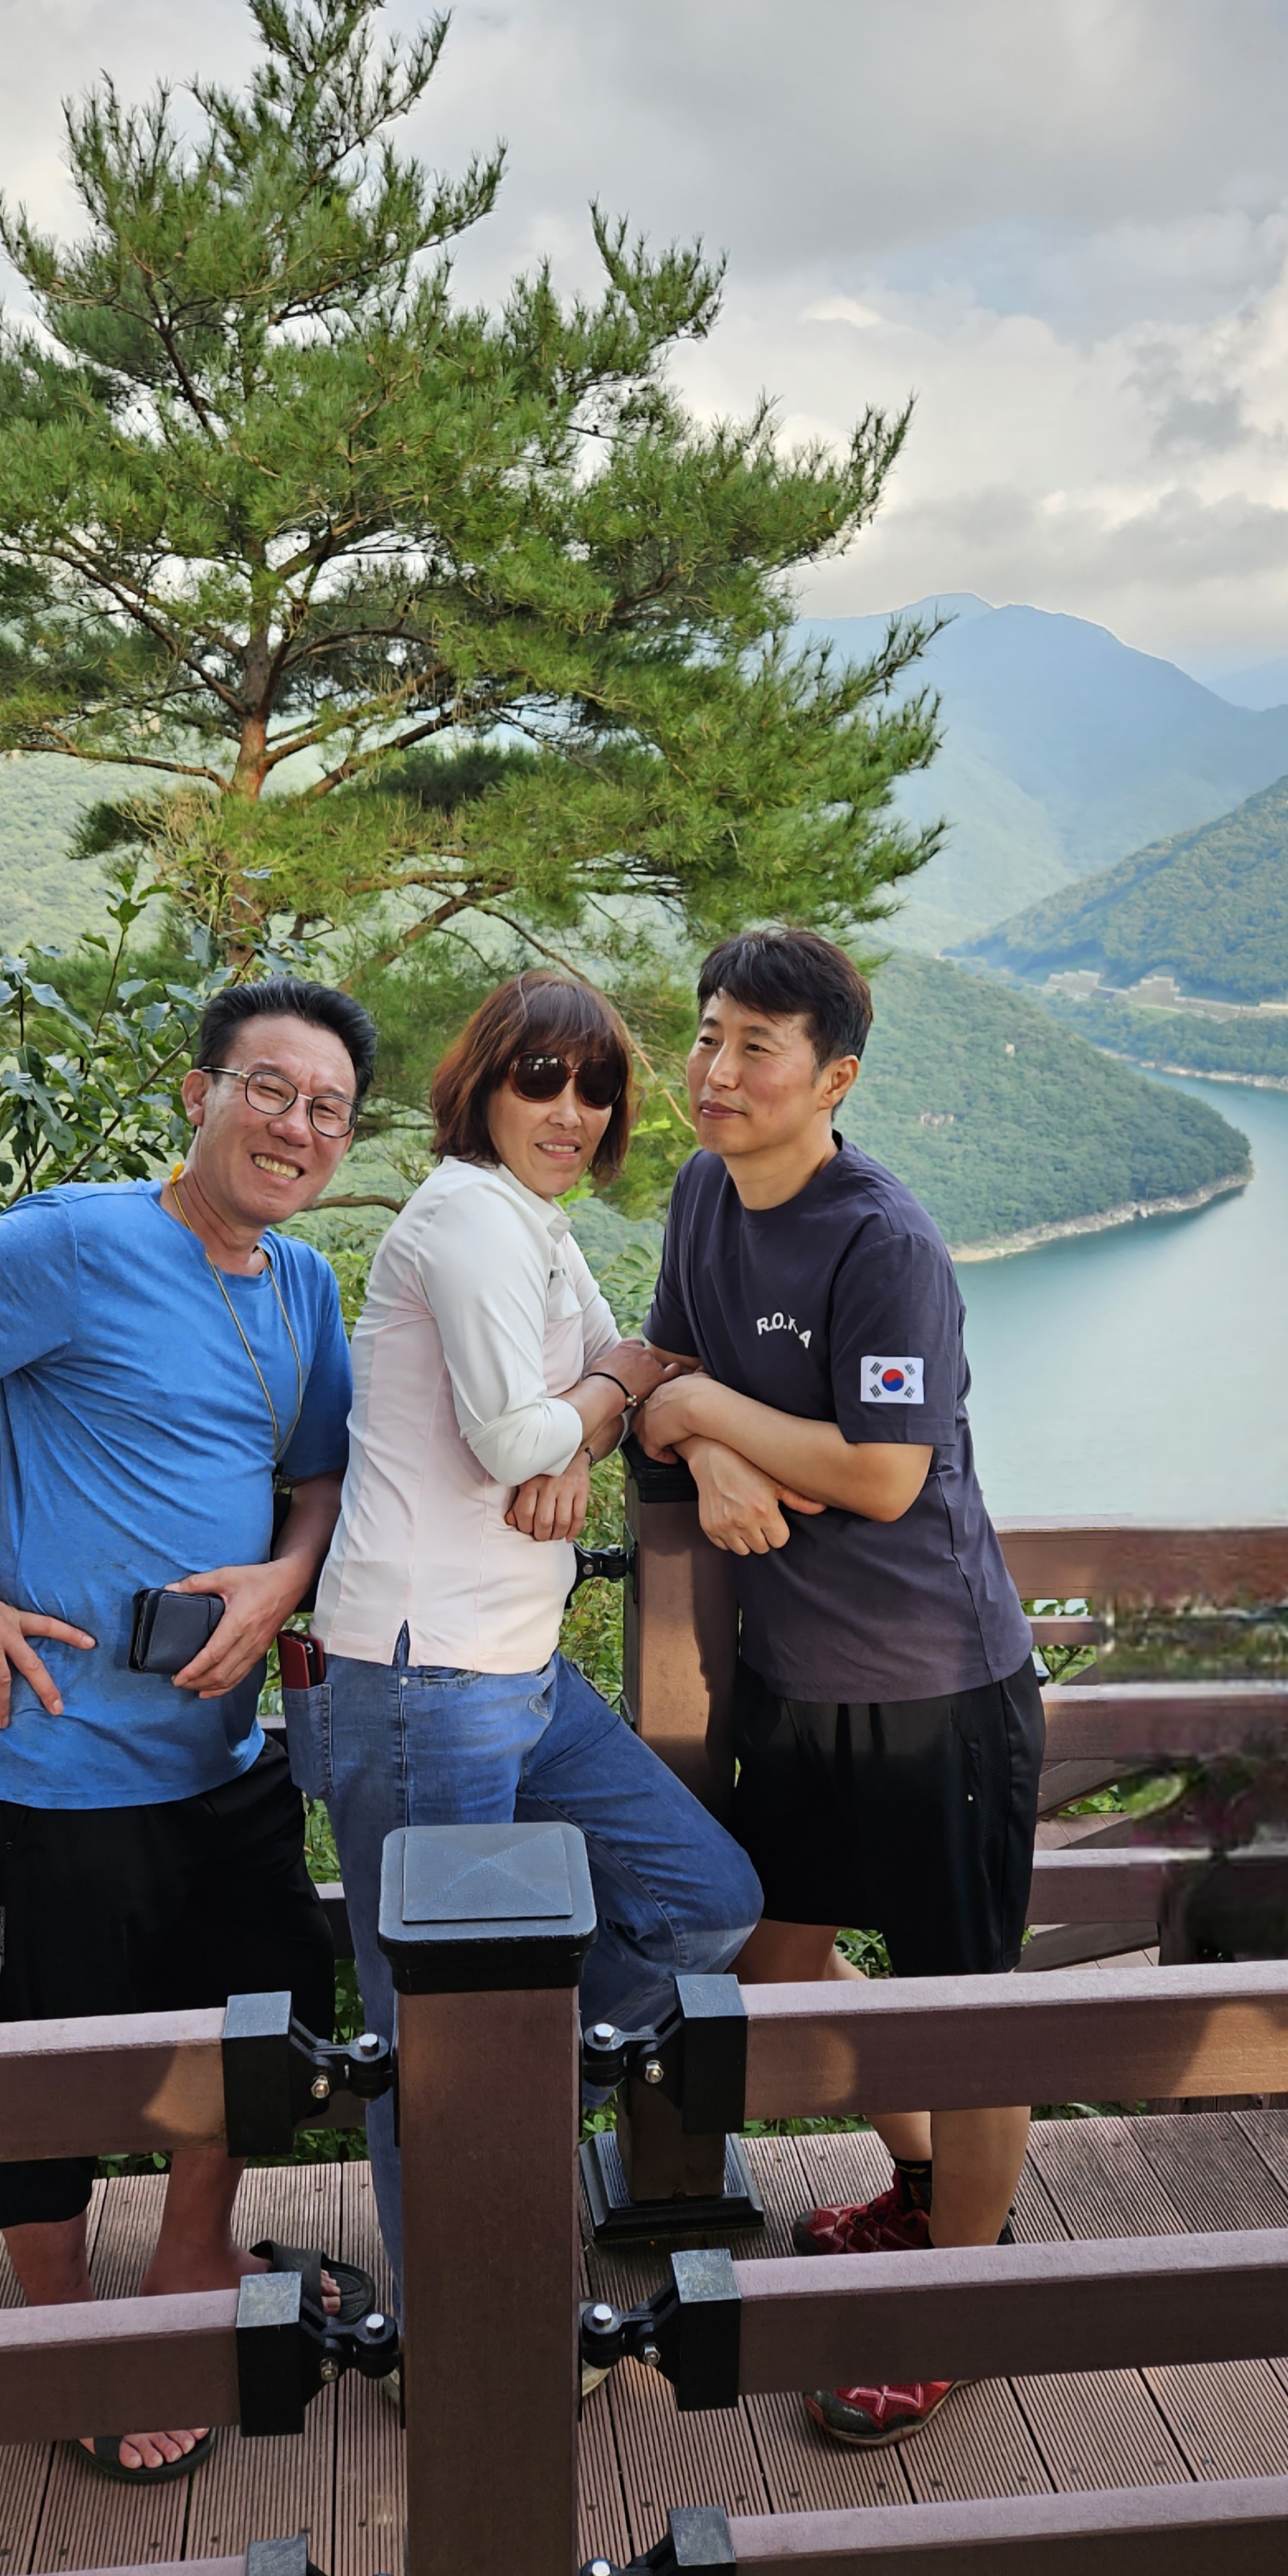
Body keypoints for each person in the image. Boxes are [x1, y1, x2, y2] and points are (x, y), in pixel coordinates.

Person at [0, 977, 374, 2482]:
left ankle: (188, 2267)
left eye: (327, 1107)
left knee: (259, 2012)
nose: (296, 1125)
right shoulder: (79, 1238)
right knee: (42, 2064)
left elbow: (318, 1478)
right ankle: (66, 2332)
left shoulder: (302, 1284)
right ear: (199, 1094)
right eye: (268, 1088)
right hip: (45, 1749)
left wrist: (287, 1575)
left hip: (220, 1747)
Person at [633, 927, 1042, 2452]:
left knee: (963, 2013)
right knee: (776, 1958)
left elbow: (882, 1474)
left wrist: (697, 1405)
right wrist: (706, 1436)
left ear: (835, 1078)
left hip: (939, 1690)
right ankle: (934, 2188)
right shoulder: (704, 1194)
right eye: (708, 1033)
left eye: (757, 1046)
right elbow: (657, 1362)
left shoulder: (886, 1245)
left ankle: (953, 2307)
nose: (717, 1069)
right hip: (794, 1683)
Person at [304, 970, 764, 2296]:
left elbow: (633, 1373)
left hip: (518, 1668)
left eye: (598, 1085)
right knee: (431, 2019)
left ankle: (515, 2077)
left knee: (704, 1901)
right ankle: (457, 2329)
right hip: (421, 1675)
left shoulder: (532, 1223)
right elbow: (533, 1426)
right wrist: (594, 1402)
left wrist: (593, 1421)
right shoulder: (468, 1219)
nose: (573, 1108)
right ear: (484, 1086)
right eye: (542, 1079)